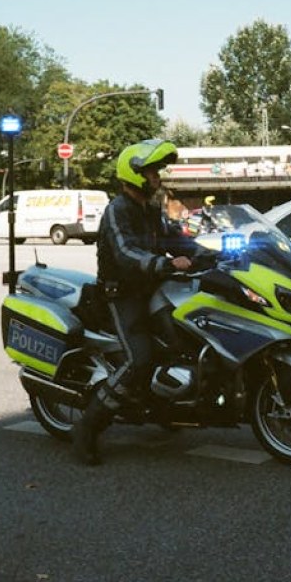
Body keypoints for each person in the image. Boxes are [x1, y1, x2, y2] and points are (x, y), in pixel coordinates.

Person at [72, 139, 215, 466]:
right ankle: (87, 428)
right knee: (139, 359)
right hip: (121, 294)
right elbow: (126, 253)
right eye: (151, 171)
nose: (156, 176)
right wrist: (165, 263)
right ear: (134, 173)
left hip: (152, 289)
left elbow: (174, 239)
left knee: (182, 339)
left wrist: (206, 253)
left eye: (157, 171)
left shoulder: (150, 209)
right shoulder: (117, 210)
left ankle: (165, 403)